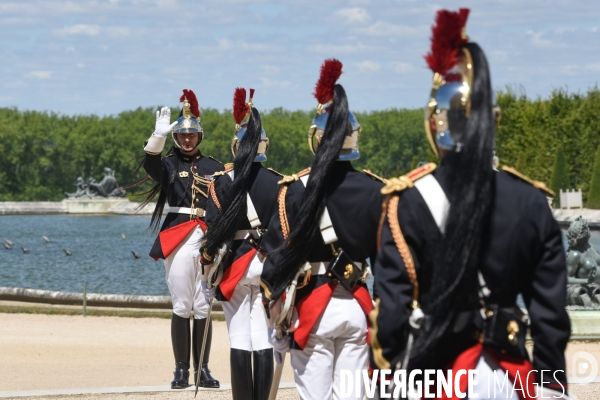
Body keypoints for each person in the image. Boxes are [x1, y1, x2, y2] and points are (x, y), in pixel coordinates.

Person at [370, 9, 570, 399]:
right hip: (510, 378)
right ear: (491, 120)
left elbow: (391, 314)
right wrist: (551, 387)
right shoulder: (529, 200)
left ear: (435, 124)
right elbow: (550, 319)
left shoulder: (409, 201)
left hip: (437, 377)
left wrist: (386, 380)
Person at [260, 59, 385, 400]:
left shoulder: (294, 189)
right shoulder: (377, 191)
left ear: (316, 139)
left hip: (312, 308)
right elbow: (387, 265)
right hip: (358, 308)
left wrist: (274, 313)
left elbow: (274, 259)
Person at [140, 89, 222, 389]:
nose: (187, 140)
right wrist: (157, 139)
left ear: (199, 137)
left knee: (203, 306)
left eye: (192, 135)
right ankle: (181, 370)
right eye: (182, 136)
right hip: (178, 235)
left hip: (207, 238)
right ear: (177, 138)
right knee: (182, 304)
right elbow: (150, 166)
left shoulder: (214, 166)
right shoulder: (170, 164)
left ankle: (202, 369)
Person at [199, 88, 276, 400]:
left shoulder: (220, 183)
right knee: (264, 338)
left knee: (240, 337)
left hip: (235, 265)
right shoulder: (277, 181)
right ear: (263, 146)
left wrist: (206, 267)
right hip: (267, 264)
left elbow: (212, 233)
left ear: (236, 146)